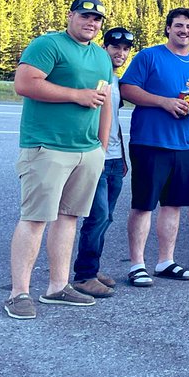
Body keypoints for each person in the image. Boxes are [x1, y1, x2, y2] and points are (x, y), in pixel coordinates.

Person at [4, 0, 113, 319]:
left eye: (97, 20)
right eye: (85, 16)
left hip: (86, 151)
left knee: (68, 218)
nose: (91, 23)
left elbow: (105, 101)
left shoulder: (101, 57)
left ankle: (57, 286)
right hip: (47, 148)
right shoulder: (48, 45)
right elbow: (24, 83)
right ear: (70, 16)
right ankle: (18, 293)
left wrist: (100, 147)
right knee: (35, 219)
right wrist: (76, 95)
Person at [120, 7, 189, 286]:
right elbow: (127, 89)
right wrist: (163, 101)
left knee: (173, 205)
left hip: (184, 144)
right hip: (150, 141)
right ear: (168, 28)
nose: (185, 30)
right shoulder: (149, 56)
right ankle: (137, 264)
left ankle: (165, 261)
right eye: (179, 25)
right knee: (144, 205)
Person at [71, 26, 134, 299]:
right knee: (96, 217)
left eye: (125, 49)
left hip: (114, 158)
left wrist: (122, 156)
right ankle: (83, 275)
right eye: (114, 47)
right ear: (104, 47)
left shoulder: (116, 79)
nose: (120, 53)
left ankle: (92, 269)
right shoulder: (94, 73)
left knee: (106, 218)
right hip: (95, 154)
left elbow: (114, 121)